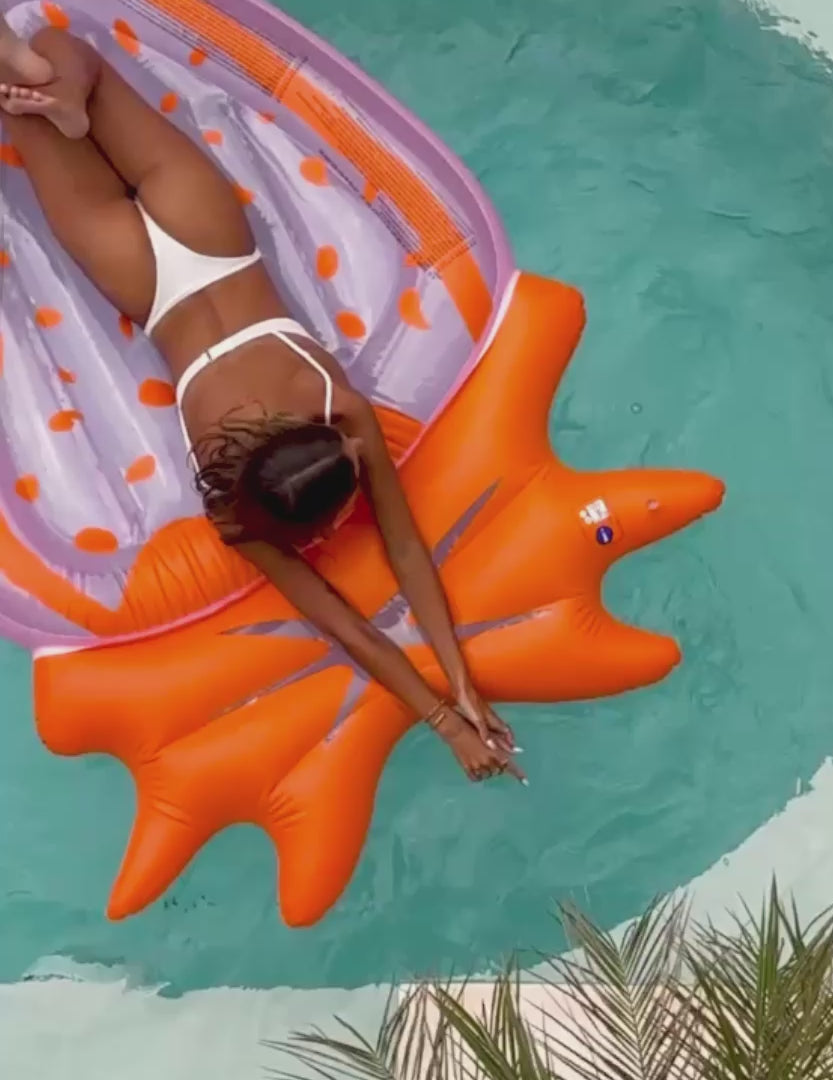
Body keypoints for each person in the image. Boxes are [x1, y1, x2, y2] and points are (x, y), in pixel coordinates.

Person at [0, 21, 525, 785]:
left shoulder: (330, 403)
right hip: (143, 281)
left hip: (209, 237)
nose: (346, 525)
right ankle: (56, 90)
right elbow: (367, 595)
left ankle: (71, 92)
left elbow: (394, 570)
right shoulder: (238, 504)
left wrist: (458, 700)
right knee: (23, 92)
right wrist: (449, 707)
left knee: (62, 57)